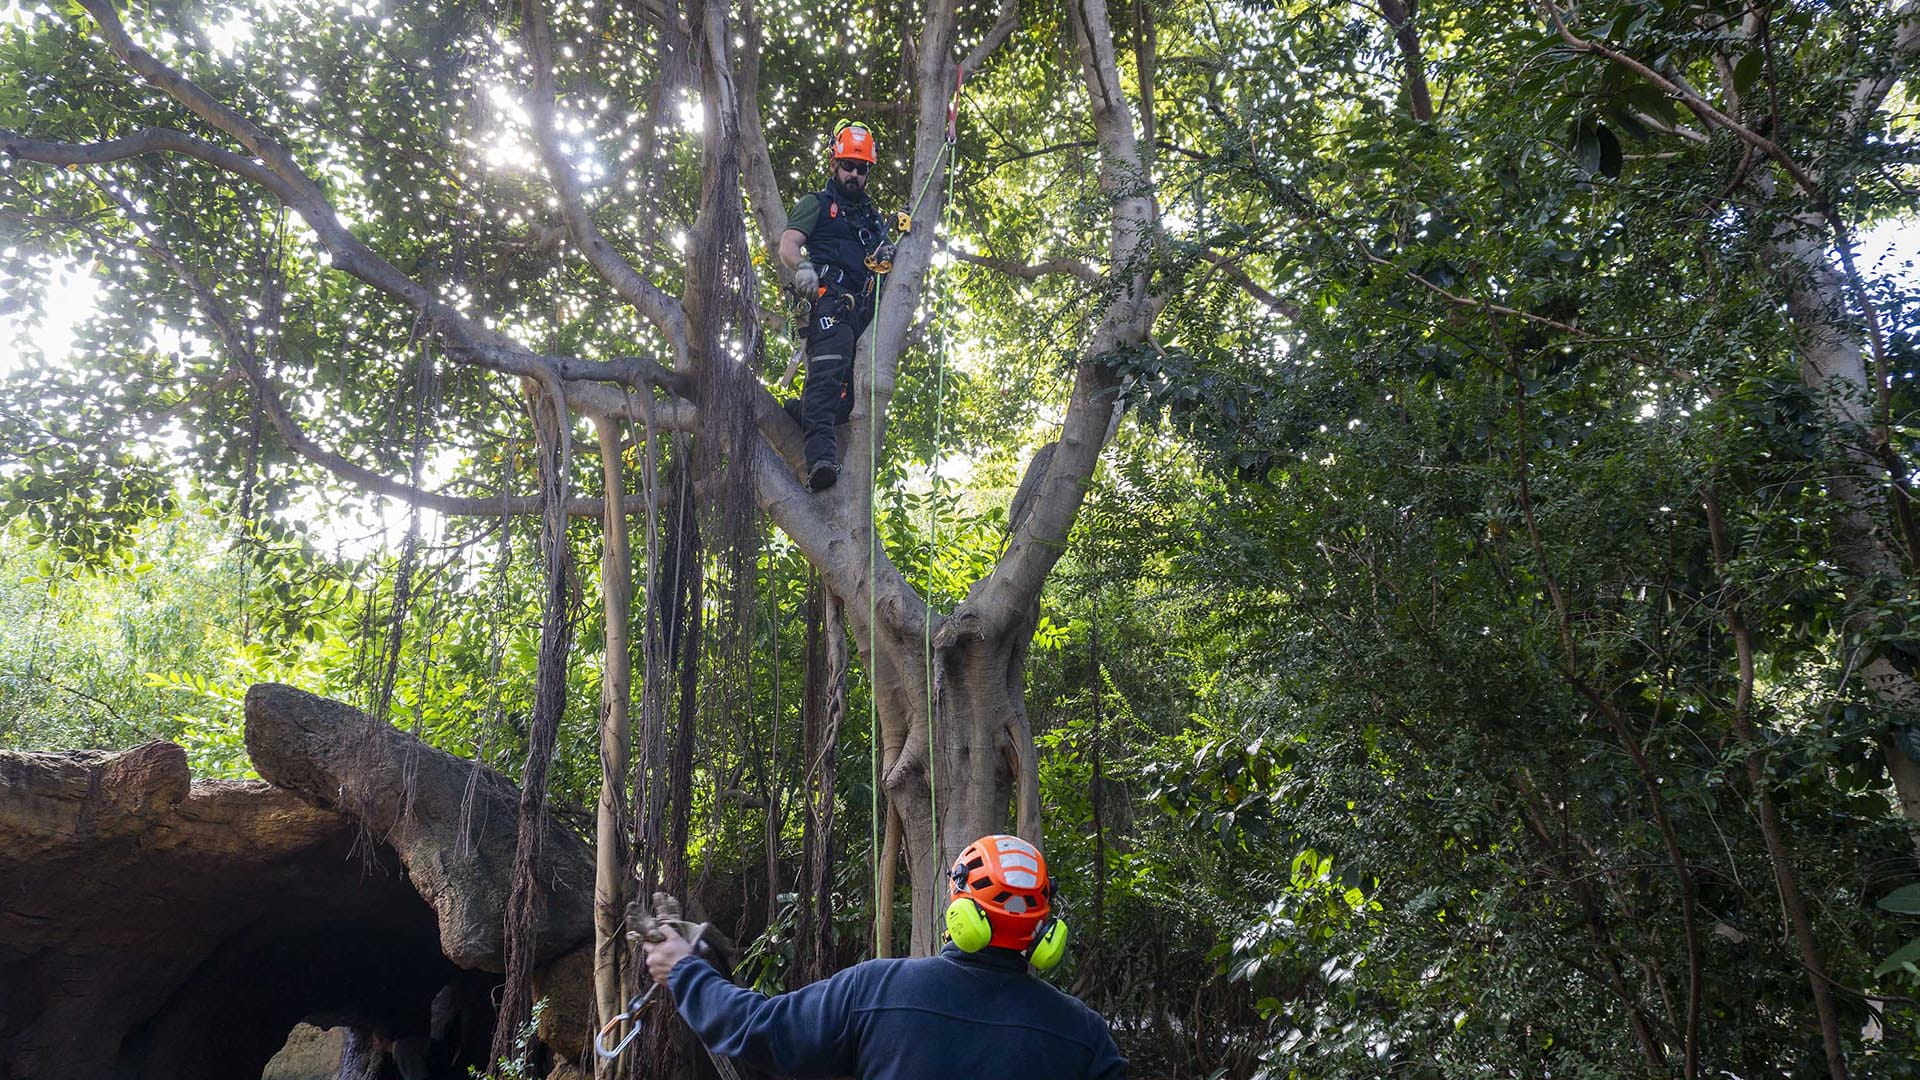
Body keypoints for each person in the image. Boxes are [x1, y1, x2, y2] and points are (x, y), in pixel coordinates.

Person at [642, 834, 1128, 1078]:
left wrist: (685, 970)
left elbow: (754, 1028)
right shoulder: (1083, 1037)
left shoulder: (877, 990)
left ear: (960, 908)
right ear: (1045, 929)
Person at [778, 120, 895, 493]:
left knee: (853, 398)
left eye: (862, 169)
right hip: (831, 302)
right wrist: (804, 266)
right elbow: (788, 245)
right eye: (848, 165)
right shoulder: (817, 204)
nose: (854, 175)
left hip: (865, 310)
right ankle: (821, 462)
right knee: (827, 378)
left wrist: (889, 251)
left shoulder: (871, 219)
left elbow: (879, 260)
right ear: (834, 164)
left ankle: (800, 411)